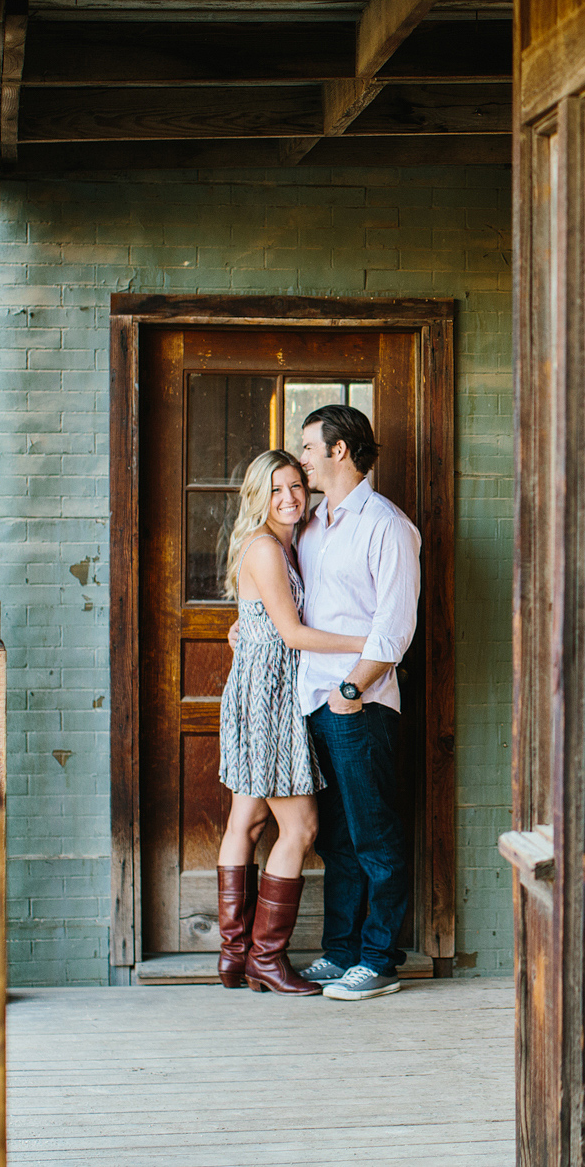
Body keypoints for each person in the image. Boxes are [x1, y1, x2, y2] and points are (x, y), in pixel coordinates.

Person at [213, 450, 370, 995]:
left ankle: (237, 958)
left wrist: (240, 631)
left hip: (263, 687)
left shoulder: (285, 543)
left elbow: (255, 621)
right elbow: (294, 633)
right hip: (268, 697)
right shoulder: (264, 546)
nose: (290, 497)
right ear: (259, 494)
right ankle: (265, 959)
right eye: (277, 489)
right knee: (299, 827)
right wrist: (371, 642)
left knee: (248, 824)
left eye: (297, 486)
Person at [292, 404, 422, 1001]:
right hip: (311, 702)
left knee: (375, 836)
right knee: (338, 839)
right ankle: (341, 952)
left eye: (308, 448)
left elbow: (394, 630)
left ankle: (379, 960)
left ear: (339, 450)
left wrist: (350, 692)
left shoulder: (387, 526)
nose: (302, 460)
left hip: (358, 704)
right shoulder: (312, 525)